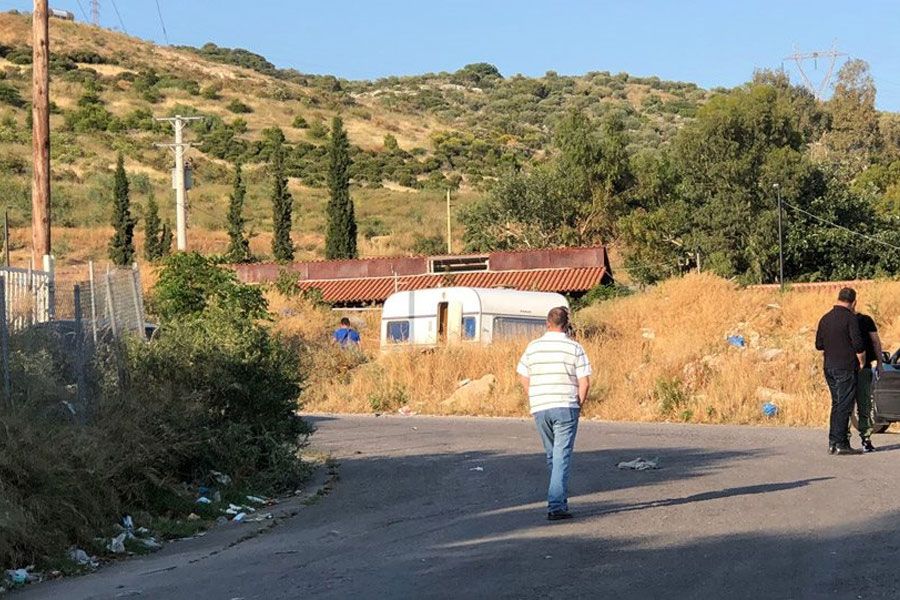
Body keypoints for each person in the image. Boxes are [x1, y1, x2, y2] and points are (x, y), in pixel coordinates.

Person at [517, 306, 591, 521]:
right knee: (561, 456)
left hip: (540, 406)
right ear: (567, 325)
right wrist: (579, 404)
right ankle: (557, 504)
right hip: (565, 405)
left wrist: (533, 393)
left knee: (553, 456)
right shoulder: (574, 347)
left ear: (547, 323)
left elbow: (522, 374)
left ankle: (558, 497)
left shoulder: (533, 347)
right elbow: (584, 382)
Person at [815, 288, 866, 455]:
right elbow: (858, 345)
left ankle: (833, 442)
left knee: (837, 404)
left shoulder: (825, 318)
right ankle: (842, 443)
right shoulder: (851, 318)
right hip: (846, 367)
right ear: (854, 302)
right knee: (845, 405)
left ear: (838, 298)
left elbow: (819, 345)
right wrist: (862, 362)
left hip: (829, 367)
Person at [853, 308, 885, 452]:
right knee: (864, 404)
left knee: (843, 405)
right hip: (863, 368)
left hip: (843, 368)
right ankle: (866, 439)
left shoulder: (838, 320)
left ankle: (840, 441)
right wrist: (880, 363)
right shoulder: (865, 320)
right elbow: (876, 342)